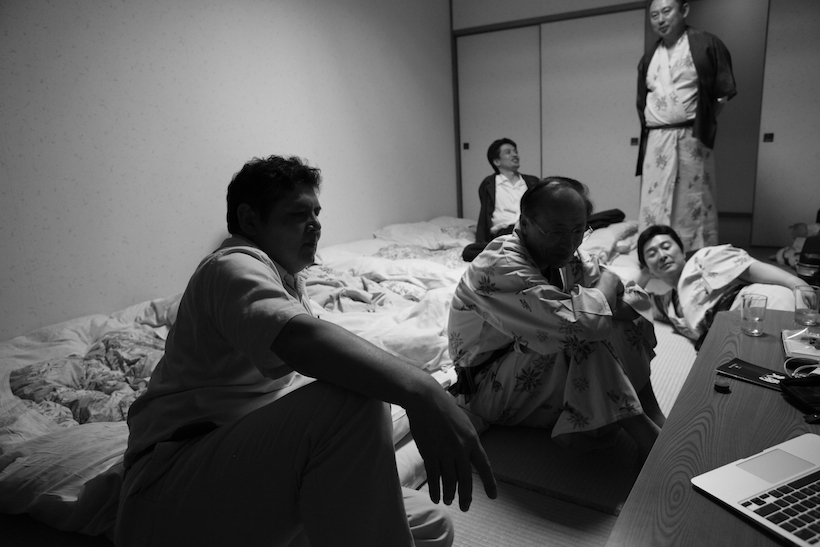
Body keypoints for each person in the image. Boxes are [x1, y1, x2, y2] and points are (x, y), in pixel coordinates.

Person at [115, 155, 497, 547]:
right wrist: (422, 390)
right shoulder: (230, 266)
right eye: (299, 214)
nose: (315, 224)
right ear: (249, 220)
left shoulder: (286, 279)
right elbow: (302, 341)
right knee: (352, 400)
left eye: (317, 213)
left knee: (432, 524)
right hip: (169, 488)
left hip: (247, 473)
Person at [448, 176, 666, 462]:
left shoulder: (564, 254)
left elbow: (632, 301)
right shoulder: (501, 266)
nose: (569, 243)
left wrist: (608, 292)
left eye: (578, 231)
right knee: (585, 335)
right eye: (557, 231)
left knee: (617, 320)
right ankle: (644, 435)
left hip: (524, 364)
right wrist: (608, 284)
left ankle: (652, 414)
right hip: (486, 384)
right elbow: (585, 324)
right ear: (525, 223)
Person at [636, 0, 737, 253]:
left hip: (691, 135)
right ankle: (653, 252)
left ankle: (697, 255)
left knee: (694, 199)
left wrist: (702, 121)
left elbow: (722, 94)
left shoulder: (707, 44)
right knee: (654, 198)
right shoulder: (650, 56)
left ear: (684, 10)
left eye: (666, 11)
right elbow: (642, 100)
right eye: (654, 15)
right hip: (657, 138)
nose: (660, 19)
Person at [637, 224, 805, 349]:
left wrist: (794, 282)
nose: (662, 255)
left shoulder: (702, 258)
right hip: (726, 337)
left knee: (795, 357)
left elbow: (749, 269)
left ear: (682, 251)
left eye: (666, 247)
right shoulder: (666, 304)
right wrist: (644, 274)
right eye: (652, 254)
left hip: (756, 306)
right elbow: (632, 299)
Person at [462, 138, 539, 262]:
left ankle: (509, 252)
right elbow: (485, 213)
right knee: (469, 252)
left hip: (527, 231)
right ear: (497, 161)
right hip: (504, 233)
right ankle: (516, 252)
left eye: (515, 151)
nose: (515, 154)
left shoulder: (532, 182)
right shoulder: (489, 184)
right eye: (508, 152)